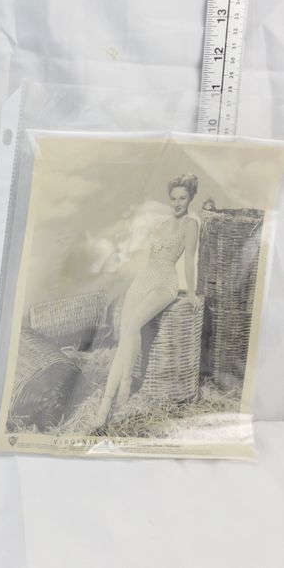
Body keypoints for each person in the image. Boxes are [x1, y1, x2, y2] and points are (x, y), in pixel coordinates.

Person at [94, 174, 201, 429]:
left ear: (190, 198)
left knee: (133, 325)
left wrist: (191, 292)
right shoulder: (161, 224)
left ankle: (125, 388)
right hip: (143, 279)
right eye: (173, 198)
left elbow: (188, 260)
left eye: (182, 198)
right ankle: (105, 406)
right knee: (124, 337)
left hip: (165, 281)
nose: (177, 203)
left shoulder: (191, 225)